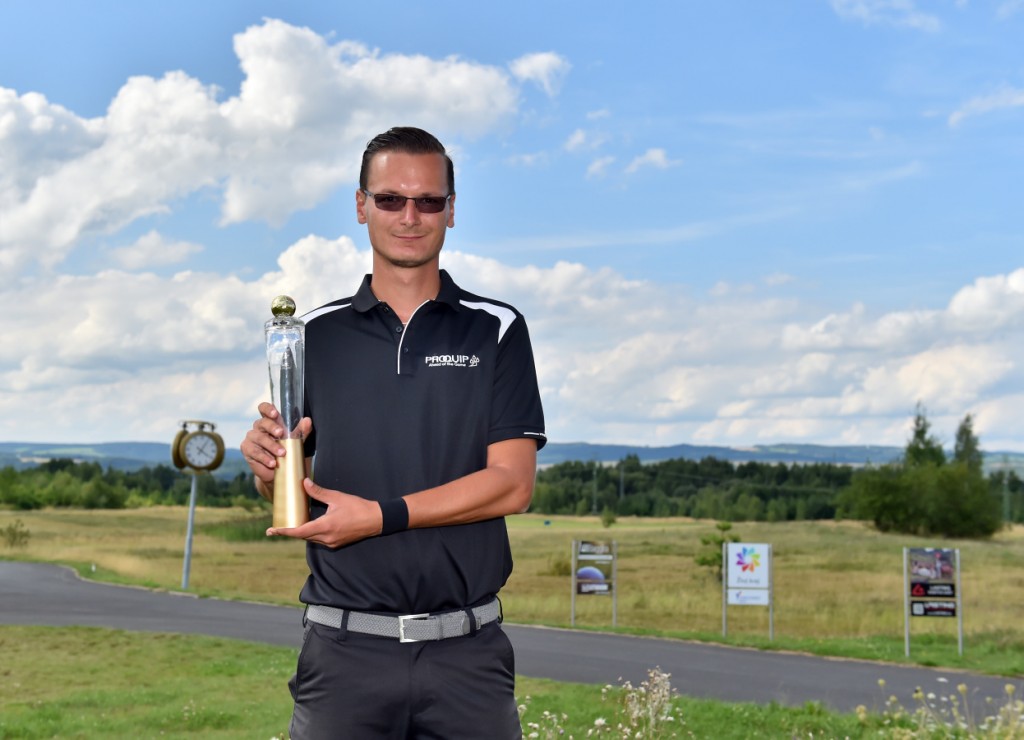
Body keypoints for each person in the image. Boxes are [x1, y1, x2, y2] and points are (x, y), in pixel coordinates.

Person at [241, 126, 546, 739]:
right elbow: (296, 486)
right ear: (361, 206)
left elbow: (512, 485)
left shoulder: (497, 329)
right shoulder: (310, 336)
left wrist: (380, 516)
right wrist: (268, 471)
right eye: (390, 199)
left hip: (467, 654)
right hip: (342, 653)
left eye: (429, 201)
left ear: (451, 211)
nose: (411, 216)